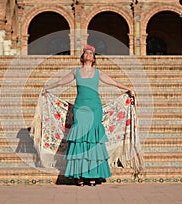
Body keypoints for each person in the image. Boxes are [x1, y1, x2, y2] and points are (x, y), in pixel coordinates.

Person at [42, 44, 135, 186]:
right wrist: (48, 87)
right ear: (82, 56)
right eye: (86, 53)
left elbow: (113, 82)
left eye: (91, 53)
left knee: (93, 140)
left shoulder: (98, 73)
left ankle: (93, 175)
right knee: (80, 138)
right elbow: (62, 81)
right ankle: (79, 175)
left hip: (94, 107)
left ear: (94, 58)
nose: (88, 55)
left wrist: (128, 88)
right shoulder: (76, 72)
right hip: (80, 107)